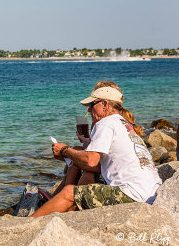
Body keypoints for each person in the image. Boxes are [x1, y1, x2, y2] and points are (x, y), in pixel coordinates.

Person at [31, 82, 162, 217]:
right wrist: (70, 155)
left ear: (105, 104)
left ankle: (26, 225)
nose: (88, 110)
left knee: (69, 193)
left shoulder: (105, 123)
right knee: (85, 179)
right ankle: (62, 215)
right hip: (153, 192)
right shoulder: (124, 124)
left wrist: (65, 150)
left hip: (134, 194)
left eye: (91, 105)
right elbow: (102, 164)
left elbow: (91, 161)